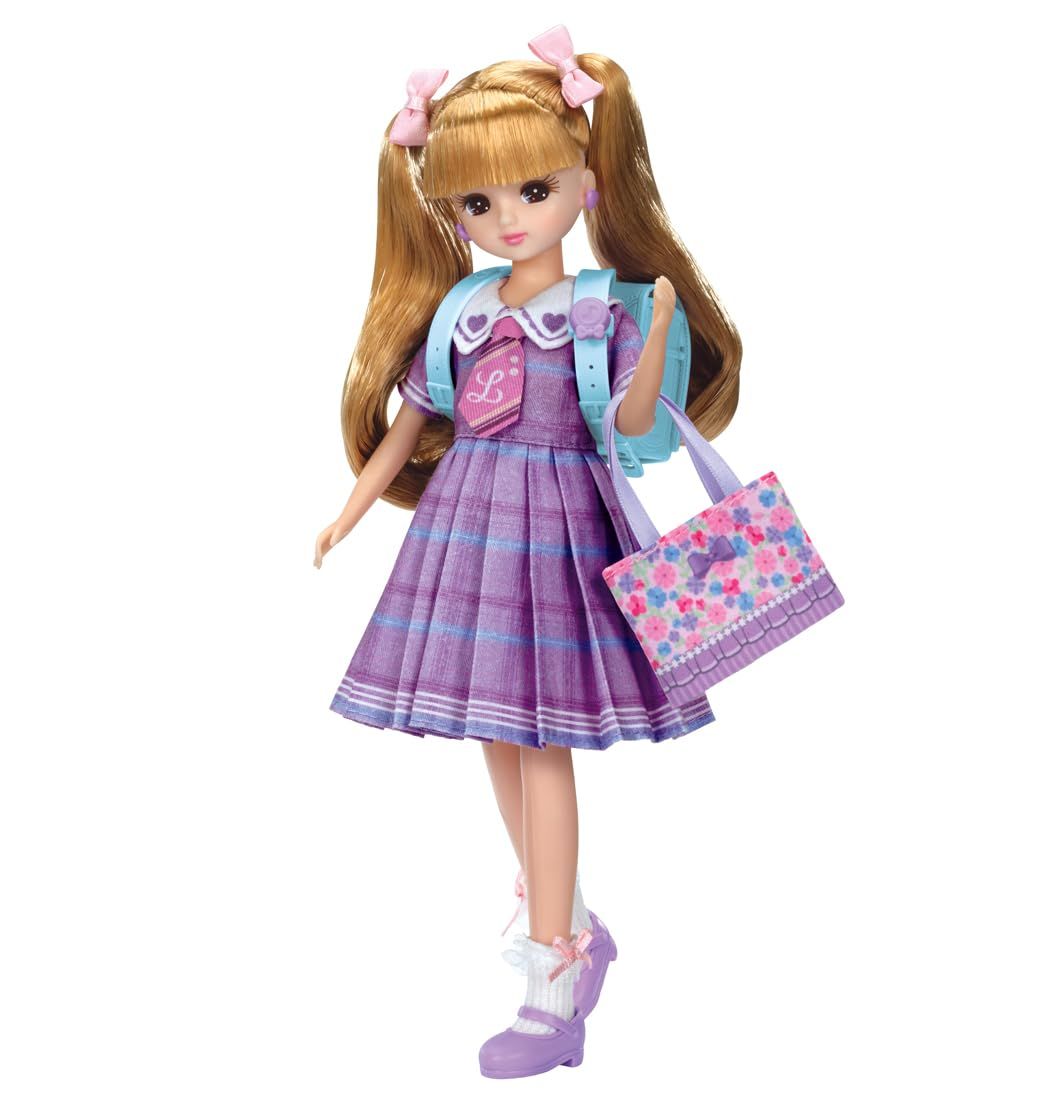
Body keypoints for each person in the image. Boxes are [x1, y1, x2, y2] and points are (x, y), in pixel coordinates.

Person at [314, 24, 742, 1078]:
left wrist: (657, 329)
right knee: (494, 738)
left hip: (556, 536)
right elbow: (415, 425)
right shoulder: (461, 310)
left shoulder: (600, 309)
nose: (506, 219)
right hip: (466, 533)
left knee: (540, 742)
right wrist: (352, 507)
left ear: (584, 184)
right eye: (476, 202)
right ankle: (573, 923)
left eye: (531, 191)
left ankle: (553, 982)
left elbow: (632, 426)